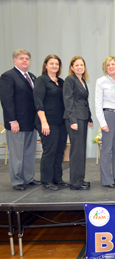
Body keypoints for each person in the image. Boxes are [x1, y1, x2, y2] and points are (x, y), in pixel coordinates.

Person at [0, 49, 41, 191]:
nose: (25, 61)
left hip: (31, 122)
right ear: (14, 60)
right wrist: (12, 120)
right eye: (22, 58)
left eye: (27, 59)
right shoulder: (8, 76)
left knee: (29, 153)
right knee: (17, 154)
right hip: (17, 123)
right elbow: (7, 100)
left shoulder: (32, 77)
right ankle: (17, 181)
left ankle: (28, 178)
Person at [34, 54, 69, 191]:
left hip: (61, 122)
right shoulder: (41, 80)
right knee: (49, 151)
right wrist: (44, 122)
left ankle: (57, 179)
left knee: (60, 151)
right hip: (47, 122)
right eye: (51, 63)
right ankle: (47, 181)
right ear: (45, 65)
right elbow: (38, 102)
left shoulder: (61, 82)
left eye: (57, 64)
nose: (54, 66)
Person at [63, 56, 93, 190]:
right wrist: (73, 120)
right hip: (74, 119)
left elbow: (85, 102)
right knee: (76, 150)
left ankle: (80, 179)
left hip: (82, 118)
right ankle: (75, 182)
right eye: (76, 65)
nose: (79, 67)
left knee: (81, 150)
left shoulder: (82, 81)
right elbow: (68, 101)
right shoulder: (70, 80)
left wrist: (89, 118)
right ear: (72, 67)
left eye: (81, 65)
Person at [95, 56, 115, 188]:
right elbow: (98, 103)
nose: (111, 67)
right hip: (108, 115)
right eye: (108, 65)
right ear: (105, 68)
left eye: (113, 64)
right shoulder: (101, 81)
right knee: (107, 149)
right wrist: (102, 123)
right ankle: (107, 179)